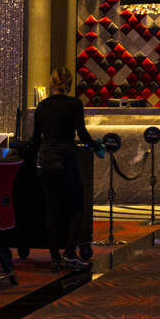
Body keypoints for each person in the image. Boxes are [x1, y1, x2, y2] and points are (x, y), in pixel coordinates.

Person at [30, 67, 103, 272]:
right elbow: (82, 133)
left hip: (45, 161)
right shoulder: (74, 104)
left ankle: (55, 258)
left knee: (52, 211)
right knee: (76, 208)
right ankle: (69, 253)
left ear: (52, 83)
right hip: (66, 160)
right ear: (70, 84)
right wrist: (96, 146)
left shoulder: (42, 105)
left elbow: (36, 138)